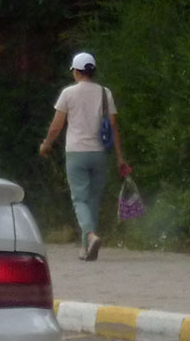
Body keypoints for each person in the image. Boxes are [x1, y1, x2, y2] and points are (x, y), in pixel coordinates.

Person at [38, 52, 130, 261]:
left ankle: (89, 235)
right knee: (93, 200)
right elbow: (113, 126)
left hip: (76, 153)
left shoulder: (68, 94)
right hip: (99, 154)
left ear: (77, 72)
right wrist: (120, 157)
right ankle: (86, 247)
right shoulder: (105, 93)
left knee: (79, 199)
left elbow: (56, 126)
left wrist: (46, 144)